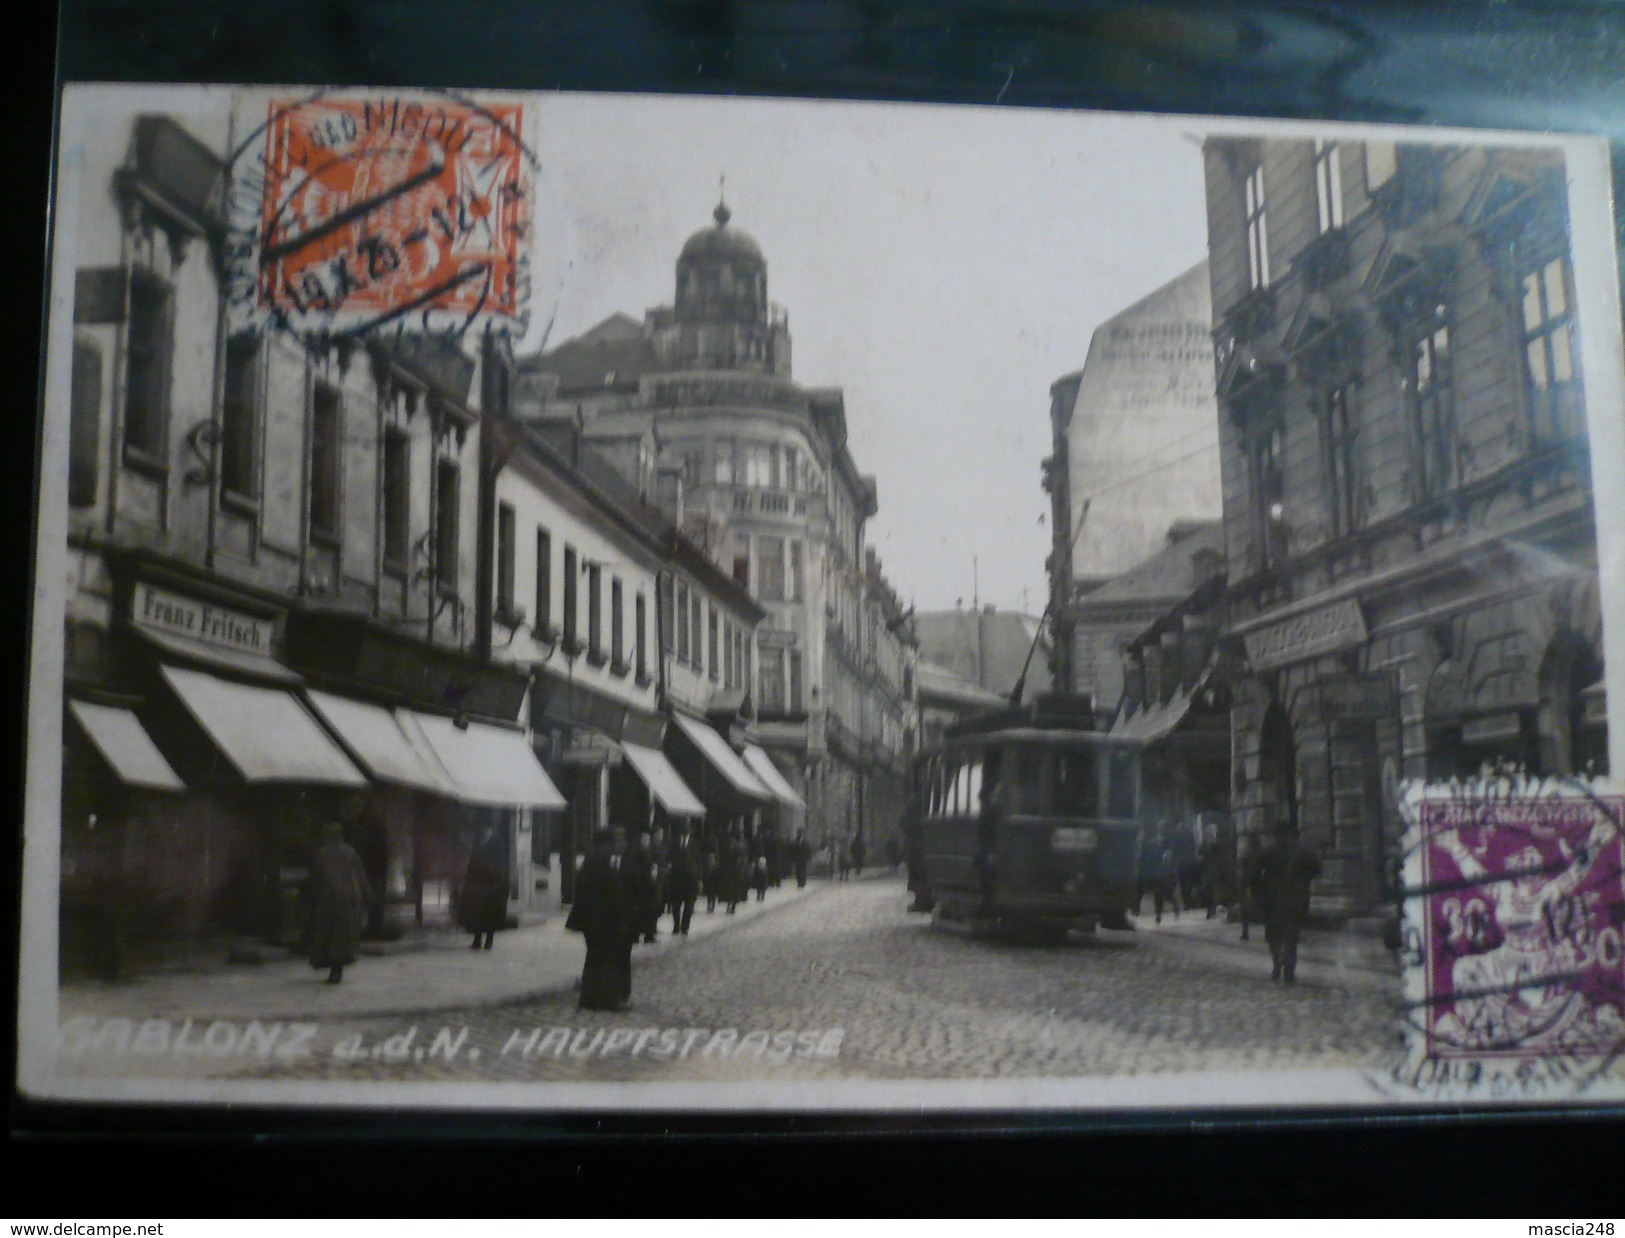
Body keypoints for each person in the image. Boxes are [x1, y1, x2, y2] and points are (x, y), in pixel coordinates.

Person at [566, 829, 636, 1011]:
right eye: (610, 843)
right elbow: (613, 894)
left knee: (594, 958)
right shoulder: (603, 864)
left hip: (592, 921)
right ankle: (607, 1000)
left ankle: (590, 999)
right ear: (603, 845)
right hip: (603, 921)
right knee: (606, 959)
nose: (612, 847)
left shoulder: (589, 862)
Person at [303, 822, 374, 985]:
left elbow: (315, 879)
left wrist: (308, 898)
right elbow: (361, 876)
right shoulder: (350, 852)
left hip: (326, 900)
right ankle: (337, 969)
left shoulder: (322, 854)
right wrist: (368, 897)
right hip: (348, 900)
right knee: (342, 936)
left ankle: (331, 968)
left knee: (328, 934)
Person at [1253, 824, 1323, 983]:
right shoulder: (1302, 851)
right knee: (1291, 936)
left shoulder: (1267, 852)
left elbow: (1253, 876)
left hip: (1272, 900)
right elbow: (1317, 869)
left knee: (1273, 934)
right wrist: (1303, 880)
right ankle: (1289, 971)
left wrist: (1260, 893)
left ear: (1275, 835)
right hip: (1295, 899)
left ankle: (1277, 962)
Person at [458, 822, 509, 951]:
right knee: (477, 913)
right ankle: (477, 940)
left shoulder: (497, 841)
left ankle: (489, 941)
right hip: (478, 882)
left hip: (491, 883)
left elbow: (500, 862)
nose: (482, 830)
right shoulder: (478, 840)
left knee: (490, 914)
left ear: (489, 828)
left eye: (484, 828)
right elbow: (473, 860)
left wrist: (498, 880)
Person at [665, 824, 701, 936]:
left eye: (687, 828)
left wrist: (699, 879)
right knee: (676, 904)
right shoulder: (674, 843)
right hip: (677, 878)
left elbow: (698, 862)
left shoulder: (694, 844)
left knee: (689, 905)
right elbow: (669, 858)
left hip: (690, 879)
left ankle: (685, 927)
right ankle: (676, 926)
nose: (685, 830)